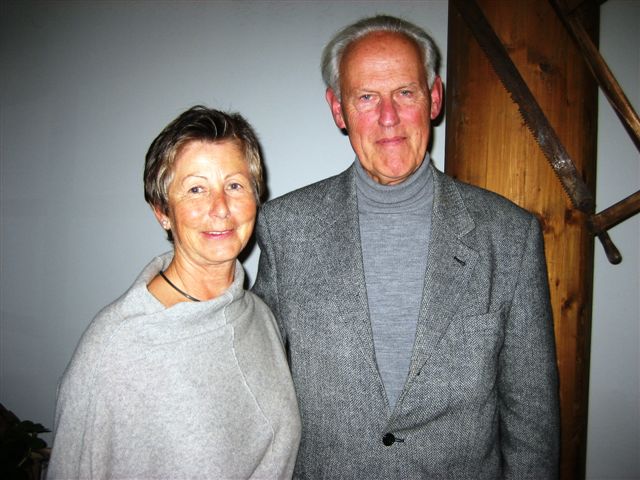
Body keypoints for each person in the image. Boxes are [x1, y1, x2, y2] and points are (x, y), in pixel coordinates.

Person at [252, 14, 559, 479]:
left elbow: (532, 421)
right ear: (338, 109)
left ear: (434, 98)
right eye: (366, 97)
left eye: (405, 93)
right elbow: (254, 380)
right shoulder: (285, 229)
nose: (388, 117)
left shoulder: (509, 235)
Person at [48, 106, 301, 479]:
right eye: (196, 189)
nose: (220, 208)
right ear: (162, 211)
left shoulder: (259, 316)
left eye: (235, 185)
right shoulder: (114, 352)